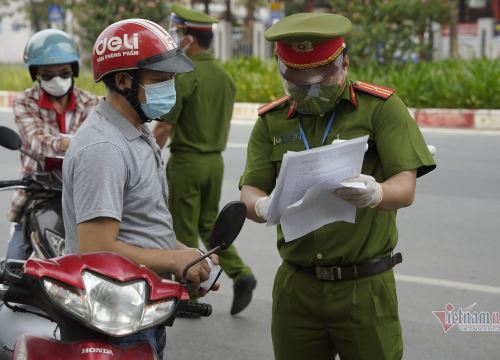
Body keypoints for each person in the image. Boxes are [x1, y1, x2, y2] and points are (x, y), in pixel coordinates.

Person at [239, 12, 436, 360]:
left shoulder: (380, 109)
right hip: (296, 289)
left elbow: (405, 188)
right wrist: (260, 206)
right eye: (297, 82)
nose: (310, 89)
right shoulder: (270, 121)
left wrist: (375, 193)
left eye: (321, 78)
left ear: (344, 61)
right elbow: (250, 188)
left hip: (364, 288)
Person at [62, 19, 218, 359]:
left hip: (141, 312)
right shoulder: (104, 148)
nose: (170, 88)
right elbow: (96, 250)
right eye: (161, 80)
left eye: (173, 79)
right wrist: (175, 260)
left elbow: (141, 223)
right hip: (114, 325)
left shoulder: (138, 131)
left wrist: (190, 257)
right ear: (123, 80)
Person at [153, 4, 256, 317]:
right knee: (210, 225)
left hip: (187, 162)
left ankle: (188, 298)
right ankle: (241, 274)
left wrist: (150, 159)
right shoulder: (225, 78)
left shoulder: (185, 75)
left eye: (178, 34)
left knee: (183, 229)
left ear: (187, 39)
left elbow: (165, 126)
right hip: (215, 161)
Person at [5, 29, 98, 260]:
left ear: (74, 71)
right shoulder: (24, 102)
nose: (57, 79)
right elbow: (36, 141)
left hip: (84, 196)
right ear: (35, 74)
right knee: (10, 272)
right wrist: (75, 143)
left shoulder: (92, 103)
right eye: (48, 75)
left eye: (64, 72)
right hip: (39, 195)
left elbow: (101, 145)